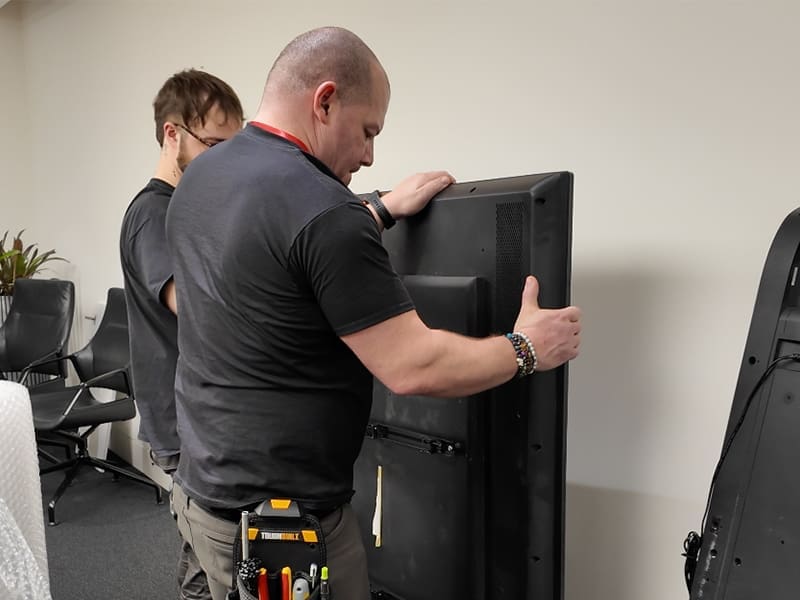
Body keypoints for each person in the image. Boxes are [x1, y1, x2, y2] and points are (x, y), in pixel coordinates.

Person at [166, 27, 582, 600]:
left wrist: (379, 209)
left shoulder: (200, 178)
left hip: (201, 496)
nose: (369, 155)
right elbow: (415, 367)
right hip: (285, 533)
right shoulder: (325, 211)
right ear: (325, 99)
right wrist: (528, 347)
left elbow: (274, 248)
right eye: (367, 131)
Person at [119, 68, 244, 600]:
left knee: (201, 555)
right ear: (173, 135)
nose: (225, 163)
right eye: (214, 144)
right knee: (214, 560)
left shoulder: (185, 210)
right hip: (184, 422)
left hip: (194, 417)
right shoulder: (154, 214)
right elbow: (196, 308)